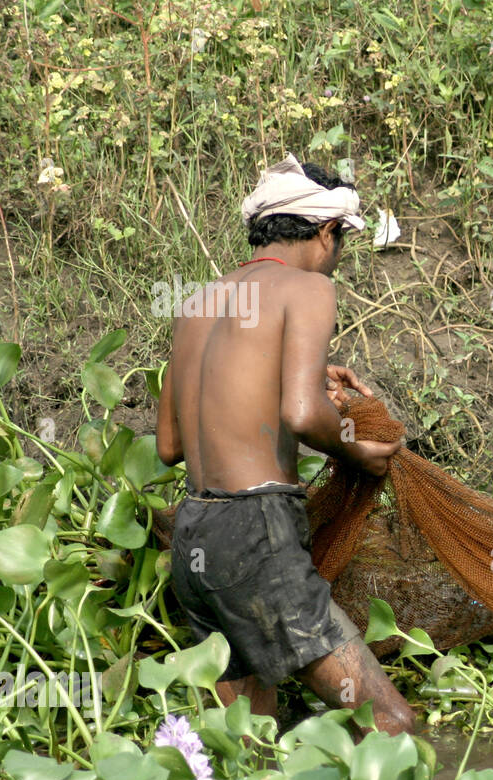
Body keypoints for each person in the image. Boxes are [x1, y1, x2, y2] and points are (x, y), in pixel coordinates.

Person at [155, 154, 419, 734]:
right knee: (394, 726)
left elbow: (169, 446)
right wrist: (355, 447)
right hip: (257, 536)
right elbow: (301, 413)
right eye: (340, 245)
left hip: (195, 536)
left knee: (251, 748)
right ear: (326, 233)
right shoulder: (306, 290)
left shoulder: (197, 301)